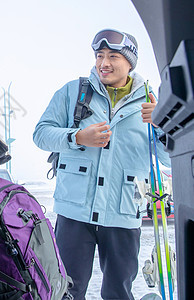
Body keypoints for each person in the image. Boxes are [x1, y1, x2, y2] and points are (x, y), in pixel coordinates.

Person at [33, 29, 170, 299]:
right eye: (99, 55)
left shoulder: (152, 101)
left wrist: (162, 123)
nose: (103, 63)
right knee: (67, 291)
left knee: (118, 292)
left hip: (123, 213)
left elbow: (168, 158)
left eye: (113, 56)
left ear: (130, 62)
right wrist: (77, 137)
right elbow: (41, 134)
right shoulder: (73, 92)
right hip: (74, 213)